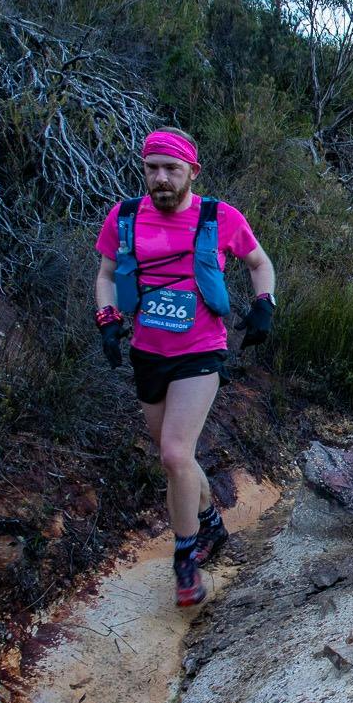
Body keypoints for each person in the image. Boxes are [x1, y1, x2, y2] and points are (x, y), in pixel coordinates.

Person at [94, 128, 274, 606]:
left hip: (200, 351)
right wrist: (107, 319)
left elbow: (258, 261)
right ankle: (212, 524)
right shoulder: (125, 217)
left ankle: (185, 559)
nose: (161, 178)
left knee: (174, 454)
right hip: (148, 352)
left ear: (192, 171)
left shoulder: (220, 217)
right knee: (174, 458)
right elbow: (108, 274)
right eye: (152, 167)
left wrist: (264, 302)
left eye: (171, 168)